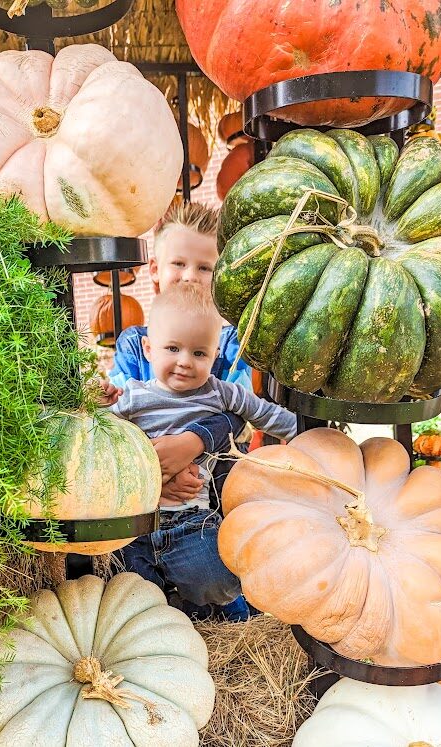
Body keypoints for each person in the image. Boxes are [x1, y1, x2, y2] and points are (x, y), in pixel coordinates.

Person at [101, 284, 296, 620]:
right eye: (172, 348)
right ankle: (167, 608)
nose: (184, 362)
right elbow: (99, 434)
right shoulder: (133, 396)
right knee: (133, 596)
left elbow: (267, 414)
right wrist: (98, 402)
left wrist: (309, 433)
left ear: (215, 354)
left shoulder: (221, 394)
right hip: (136, 523)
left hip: (191, 520)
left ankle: (195, 602)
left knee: (221, 583)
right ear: (148, 349)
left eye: (199, 353)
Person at [109, 201, 252, 511]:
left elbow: (242, 418)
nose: (190, 276)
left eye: (204, 267)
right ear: (155, 269)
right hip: (146, 485)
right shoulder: (134, 344)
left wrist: (194, 442)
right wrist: (162, 476)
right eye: (178, 263)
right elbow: (117, 425)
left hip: (215, 487)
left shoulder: (230, 344)